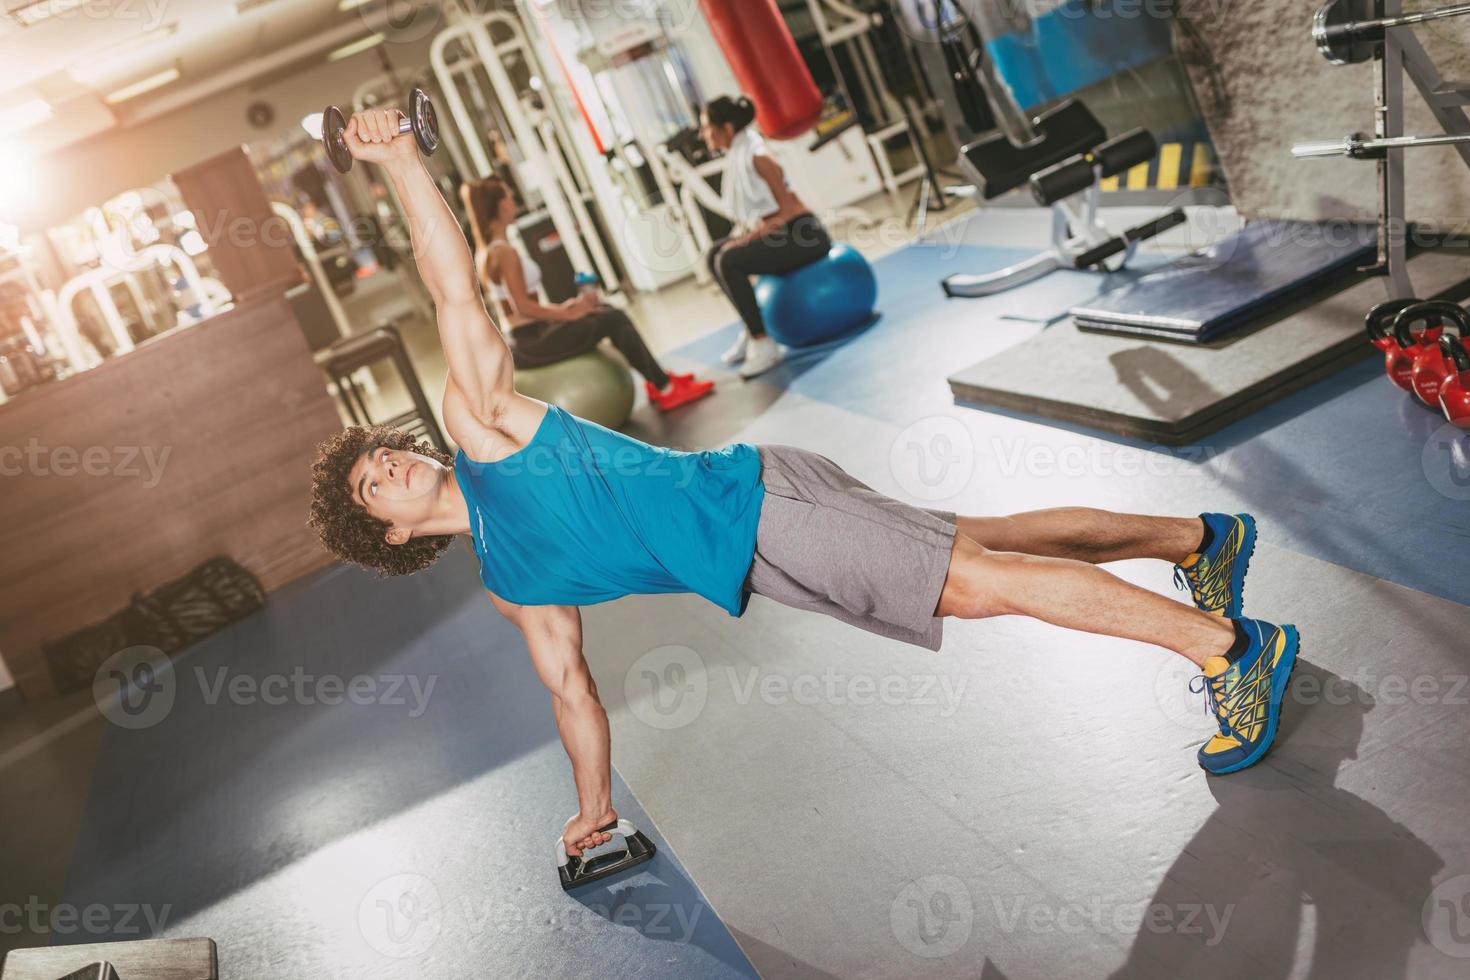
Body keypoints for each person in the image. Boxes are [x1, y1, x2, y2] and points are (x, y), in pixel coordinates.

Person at [309, 107, 1300, 865]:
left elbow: (454, 291)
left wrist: (399, 159)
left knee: (981, 582)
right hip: (775, 535)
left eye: (382, 453)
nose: (390, 465)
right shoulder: (514, 578)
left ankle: (1227, 649)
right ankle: (1197, 541)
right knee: (989, 542)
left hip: (766, 513)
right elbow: (569, 686)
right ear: (391, 536)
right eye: (372, 488)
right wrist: (594, 801)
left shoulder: (482, 432)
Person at [460, 176, 714, 412]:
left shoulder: (492, 250)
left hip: (532, 333)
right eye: (510, 197)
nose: (514, 202)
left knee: (606, 311)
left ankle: (659, 380)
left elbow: (521, 305)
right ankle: (666, 389)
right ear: (502, 206)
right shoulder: (503, 252)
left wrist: (569, 307)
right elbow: (523, 308)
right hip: (531, 342)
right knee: (612, 319)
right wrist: (568, 314)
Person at [701, 95, 834, 379]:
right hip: (783, 233)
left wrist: (745, 242)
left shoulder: (757, 154)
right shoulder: (740, 151)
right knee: (714, 254)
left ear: (725, 127)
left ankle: (764, 344)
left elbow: (786, 212)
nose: (703, 134)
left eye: (706, 127)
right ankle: (752, 331)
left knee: (730, 260)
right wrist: (742, 238)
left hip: (804, 235)